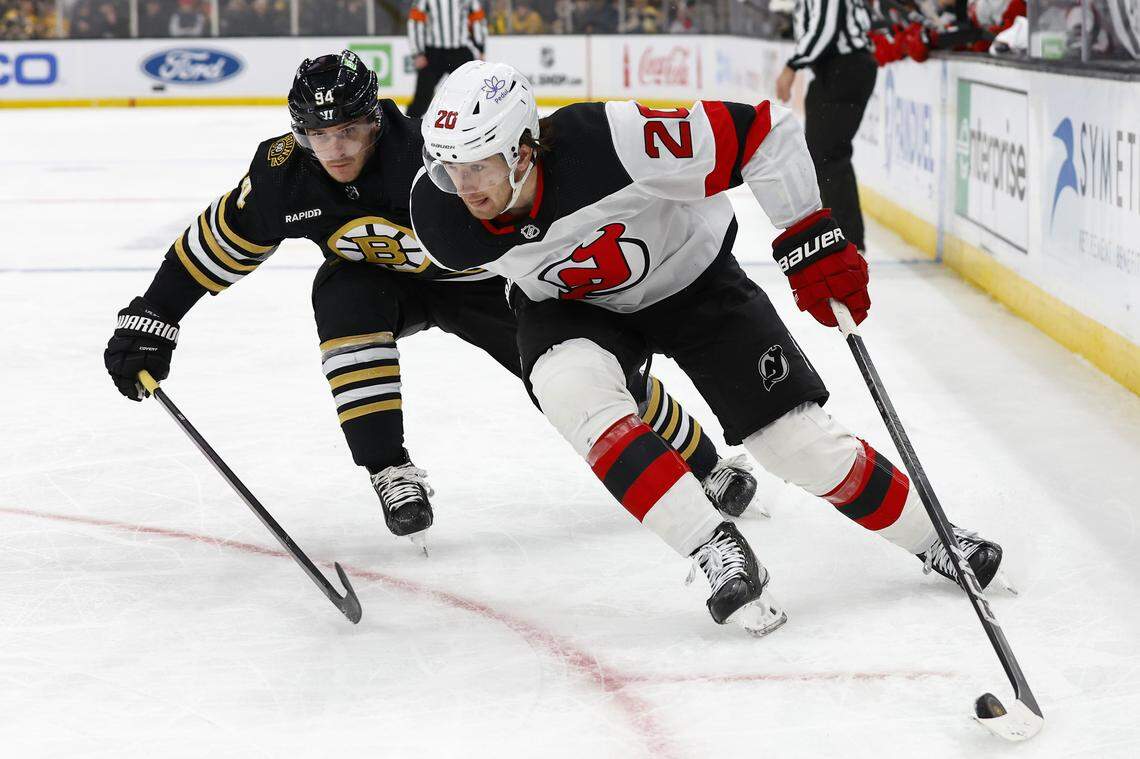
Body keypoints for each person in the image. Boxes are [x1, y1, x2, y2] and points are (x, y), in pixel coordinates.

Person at [410, 61, 1007, 632]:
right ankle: (713, 546)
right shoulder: (440, 211)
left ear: (522, 148)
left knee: (794, 445)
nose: (463, 186)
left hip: (693, 281)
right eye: (449, 168)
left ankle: (937, 538)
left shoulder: (617, 139)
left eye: (478, 165)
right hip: (572, 306)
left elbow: (764, 132)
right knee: (565, 387)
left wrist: (810, 235)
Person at [103, 51, 760, 554]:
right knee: (340, 295)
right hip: (379, 281)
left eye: (348, 131)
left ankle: (701, 461)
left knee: (577, 373)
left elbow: (534, 214)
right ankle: (391, 470)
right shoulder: (281, 173)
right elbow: (215, 244)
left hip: (479, 286)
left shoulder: (436, 159)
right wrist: (154, 314)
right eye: (317, 134)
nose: (333, 148)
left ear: (374, 119)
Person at [775, 0, 877, 252]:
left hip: (845, 68)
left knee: (827, 156)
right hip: (836, 70)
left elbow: (826, 29)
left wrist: (792, 66)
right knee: (824, 155)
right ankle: (843, 237)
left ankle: (847, 241)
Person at [406, 0, 488, 119]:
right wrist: (417, 52)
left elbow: (478, 18)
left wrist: (480, 47)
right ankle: (408, 132)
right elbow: (415, 21)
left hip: (460, 52)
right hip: (433, 53)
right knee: (422, 98)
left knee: (472, 96)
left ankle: (477, 129)